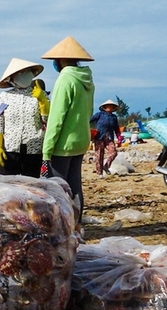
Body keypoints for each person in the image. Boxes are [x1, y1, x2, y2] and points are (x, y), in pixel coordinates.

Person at [40, 36, 95, 218]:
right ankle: (77, 222)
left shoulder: (65, 79)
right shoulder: (87, 79)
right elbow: (89, 110)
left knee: (59, 188)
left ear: (61, 60)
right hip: (81, 140)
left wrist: (47, 150)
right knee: (75, 184)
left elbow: (57, 117)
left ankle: (65, 224)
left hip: (63, 144)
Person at [0, 58, 50, 177]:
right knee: (8, 188)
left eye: (27, 71)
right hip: (10, 149)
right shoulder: (4, 96)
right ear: (11, 78)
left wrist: (43, 102)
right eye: (20, 73)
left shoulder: (40, 94)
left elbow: (48, 121)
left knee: (31, 188)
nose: (24, 75)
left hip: (34, 149)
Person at [90, 99, 122, 176]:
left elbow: (117, 129)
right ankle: (99, 173)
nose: (109, 107)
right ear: (105, 107)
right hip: (99, 137)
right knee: (99, 155)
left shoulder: (114, 117)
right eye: (108, 106)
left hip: (109, 138)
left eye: (111, 106)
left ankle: (106, 166)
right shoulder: (99, 114)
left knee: (114, 152)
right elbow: (89, 120)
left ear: (113, 108)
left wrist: (119, 138)